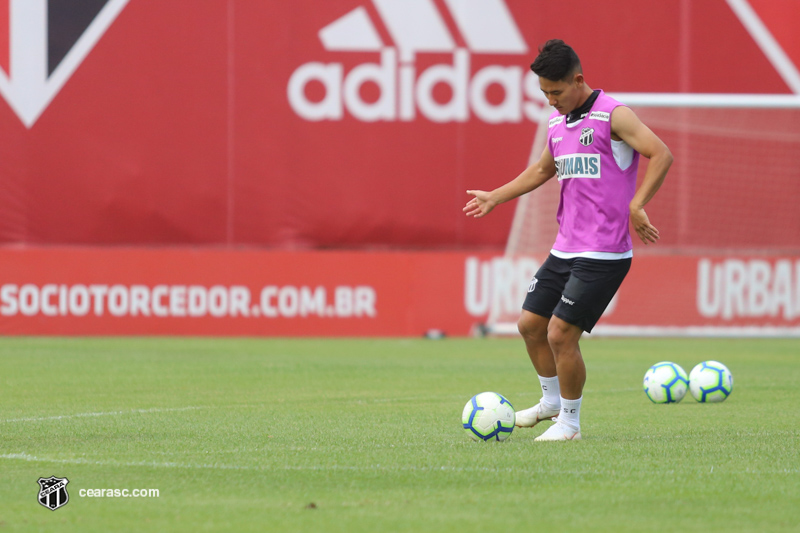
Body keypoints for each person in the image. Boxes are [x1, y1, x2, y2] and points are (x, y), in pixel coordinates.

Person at [463, 39, 673, 441]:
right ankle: (551, 402)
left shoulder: (614, 114)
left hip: (604, 252)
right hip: (565, 247)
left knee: (561, 333)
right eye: (544, 93)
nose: (550, 101)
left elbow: (661, 153)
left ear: (578, 80)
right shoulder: (557, 123)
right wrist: (495, 196)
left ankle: (571, 425)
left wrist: (637, 205)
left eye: (555, 92)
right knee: (529, 325)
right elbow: (542, 170)